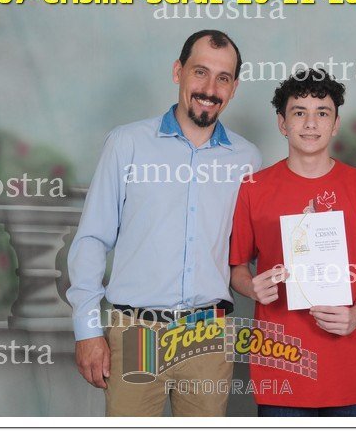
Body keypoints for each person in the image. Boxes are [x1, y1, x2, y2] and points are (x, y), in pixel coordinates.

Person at [66, 29, 261, 417]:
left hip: (208, 334)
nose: (210, 89)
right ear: (178, 72)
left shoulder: (248, 159)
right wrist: (87, 329)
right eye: (200, 72)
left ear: (234, 87)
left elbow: (249, 249)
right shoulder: (127, 144)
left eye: (223, 78)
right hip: (136, 331)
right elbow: (91, 239)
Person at [229, 68, 356, 417]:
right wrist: (252, 288)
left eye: (322, 113)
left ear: (336, 124)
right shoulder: (253, 188)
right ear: (282, 123)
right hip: (281, 365)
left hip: (347, 365)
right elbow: (237, 268)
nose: (311, 123)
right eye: (299, 112)